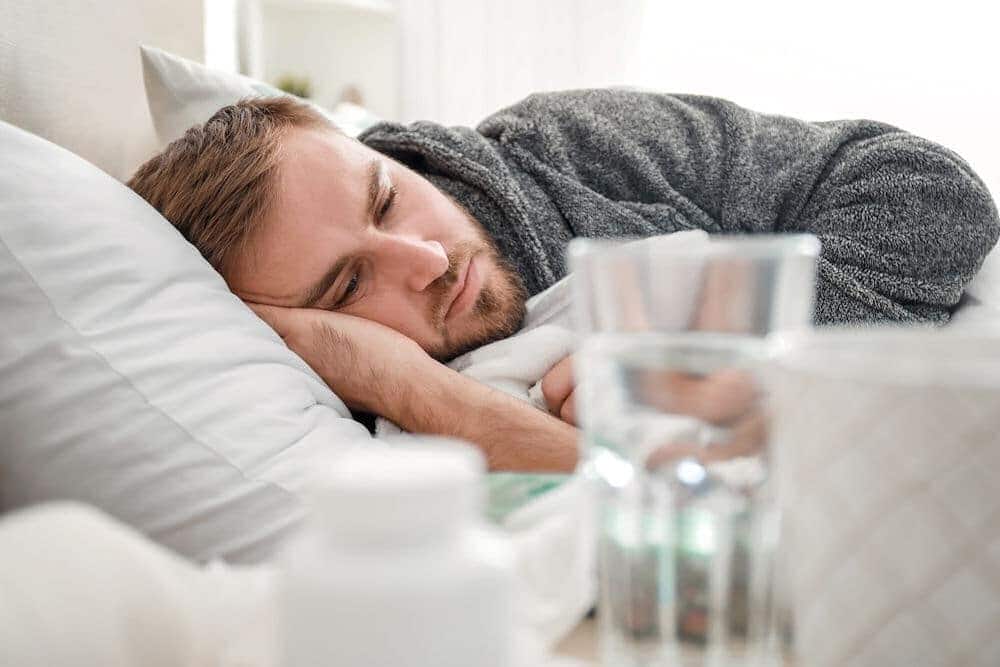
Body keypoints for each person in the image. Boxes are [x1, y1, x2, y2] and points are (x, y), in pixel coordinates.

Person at [127, 90, 1000, 471]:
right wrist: (402, 382)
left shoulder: (571, 143)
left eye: (388, 198)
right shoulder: (322, 401)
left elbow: (923, 190)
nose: (426, 261)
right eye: (347, 287)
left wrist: (712, 363)